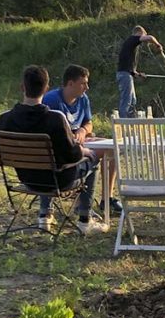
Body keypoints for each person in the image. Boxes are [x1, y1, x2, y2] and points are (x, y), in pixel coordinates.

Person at [0, 65, 107, 235]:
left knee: (50, 164)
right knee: (92, 159)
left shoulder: (4, 119)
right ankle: (85, 220)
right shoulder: (55, 119)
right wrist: (84, 151)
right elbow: (73, 155)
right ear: (46, 89)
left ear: (22, 87)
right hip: (59, 181)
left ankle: (44, 215)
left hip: (26, 178)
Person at [42, 64, 123, 216]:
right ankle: (81, 206)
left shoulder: (83, 99)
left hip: (81, 140)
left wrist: (83, 130)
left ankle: (107, 198)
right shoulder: (52, 100)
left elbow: (89, 122)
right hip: (63, 147)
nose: (87, 87)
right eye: (83, 83)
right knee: (91, 158)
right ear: (70, 84)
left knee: (112, 147)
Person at [116, 25, 164, 118]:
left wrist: (137, 74)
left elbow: (127, 66)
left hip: (126, 74)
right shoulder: (133, 39)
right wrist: (157, 45)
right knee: (127, 100)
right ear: (140, 33)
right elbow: (150, 37)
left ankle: (131, 122)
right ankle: (124, 123)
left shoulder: (130, 45)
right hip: (124, 75)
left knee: (133, 100)